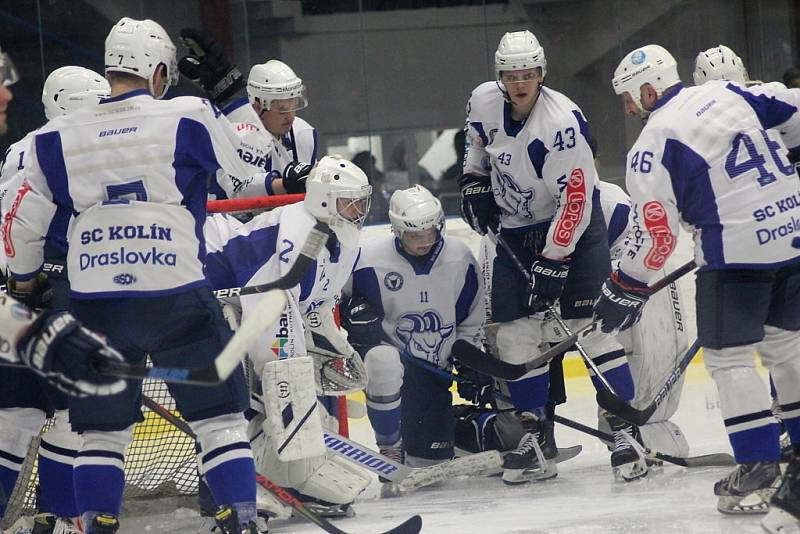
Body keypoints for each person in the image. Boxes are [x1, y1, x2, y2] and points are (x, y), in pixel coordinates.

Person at [2, 17, 286, 533]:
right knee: (219, 422)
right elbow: (249, 168)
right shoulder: (186, 114)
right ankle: (242, 521)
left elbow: (20, 220)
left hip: (95, 303)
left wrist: (25, 281)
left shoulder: (52, 138)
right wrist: (230, 94)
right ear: (157, 71)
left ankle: (96, 524)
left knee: (100, 435)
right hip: (176, 293)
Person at [596, 44, 800, 528]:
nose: (628, 108)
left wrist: (626, 284)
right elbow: (794, 107)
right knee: (787, 351)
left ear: (648, 89)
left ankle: (757, 468)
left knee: (730, 360)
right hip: (793, 238)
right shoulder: (734, 92)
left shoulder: (652, 142)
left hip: (735, 256)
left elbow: (656, 234)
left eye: (628, 98)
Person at [460, 29, 643, 484]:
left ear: (542, 73)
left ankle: (622, 430)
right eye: (511, 75)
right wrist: (474, 180)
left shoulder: (561, 124)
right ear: (499, 76)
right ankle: (532, 433)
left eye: (528, 74)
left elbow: (577, 202)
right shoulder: (484, 101)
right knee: (516, 336)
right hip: (516, 230)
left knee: (593, 332)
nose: (519, 83)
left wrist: (554, 258)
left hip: (575, 235)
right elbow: (476, 143)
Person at [203, 156, 373, 530]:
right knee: (260, 391)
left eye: (362, 201)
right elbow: (270, 311)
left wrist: (338, 347)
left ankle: (287, 475)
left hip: (251, 297)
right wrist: (287, 371)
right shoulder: (295, 233)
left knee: (288, 387)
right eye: (350, 200)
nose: (358, 210)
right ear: (326, 199)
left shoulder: (344, 234)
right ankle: (238, 489)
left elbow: (319, 304)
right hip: (207, 280)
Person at [0, 65, 112, 534]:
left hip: (12, 295)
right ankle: (62, 518)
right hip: (65, 291)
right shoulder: (79, 149)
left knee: (15, 415)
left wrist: (20, 283)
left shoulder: (17, 148)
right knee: (75, 414)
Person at [341, 184, 484, 472]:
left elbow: (472, 316)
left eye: (430, 232)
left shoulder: (459, 257)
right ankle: (390, 448)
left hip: (435, 373)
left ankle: (470, 431)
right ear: (397, 230)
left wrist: (469, 361)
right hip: (395, 363)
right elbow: (339, 305)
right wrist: (353, 318)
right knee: (383, 362)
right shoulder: (367, 259)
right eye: (415, 235)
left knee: (431, 460)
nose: (424, 241)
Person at [245, 59, 318, 191]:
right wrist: (285, 184)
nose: (290, 116)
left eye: (294, 105)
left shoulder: (303, 132)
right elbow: (241, 191)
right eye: (282, 109)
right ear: (257, 107)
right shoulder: (240, 137)